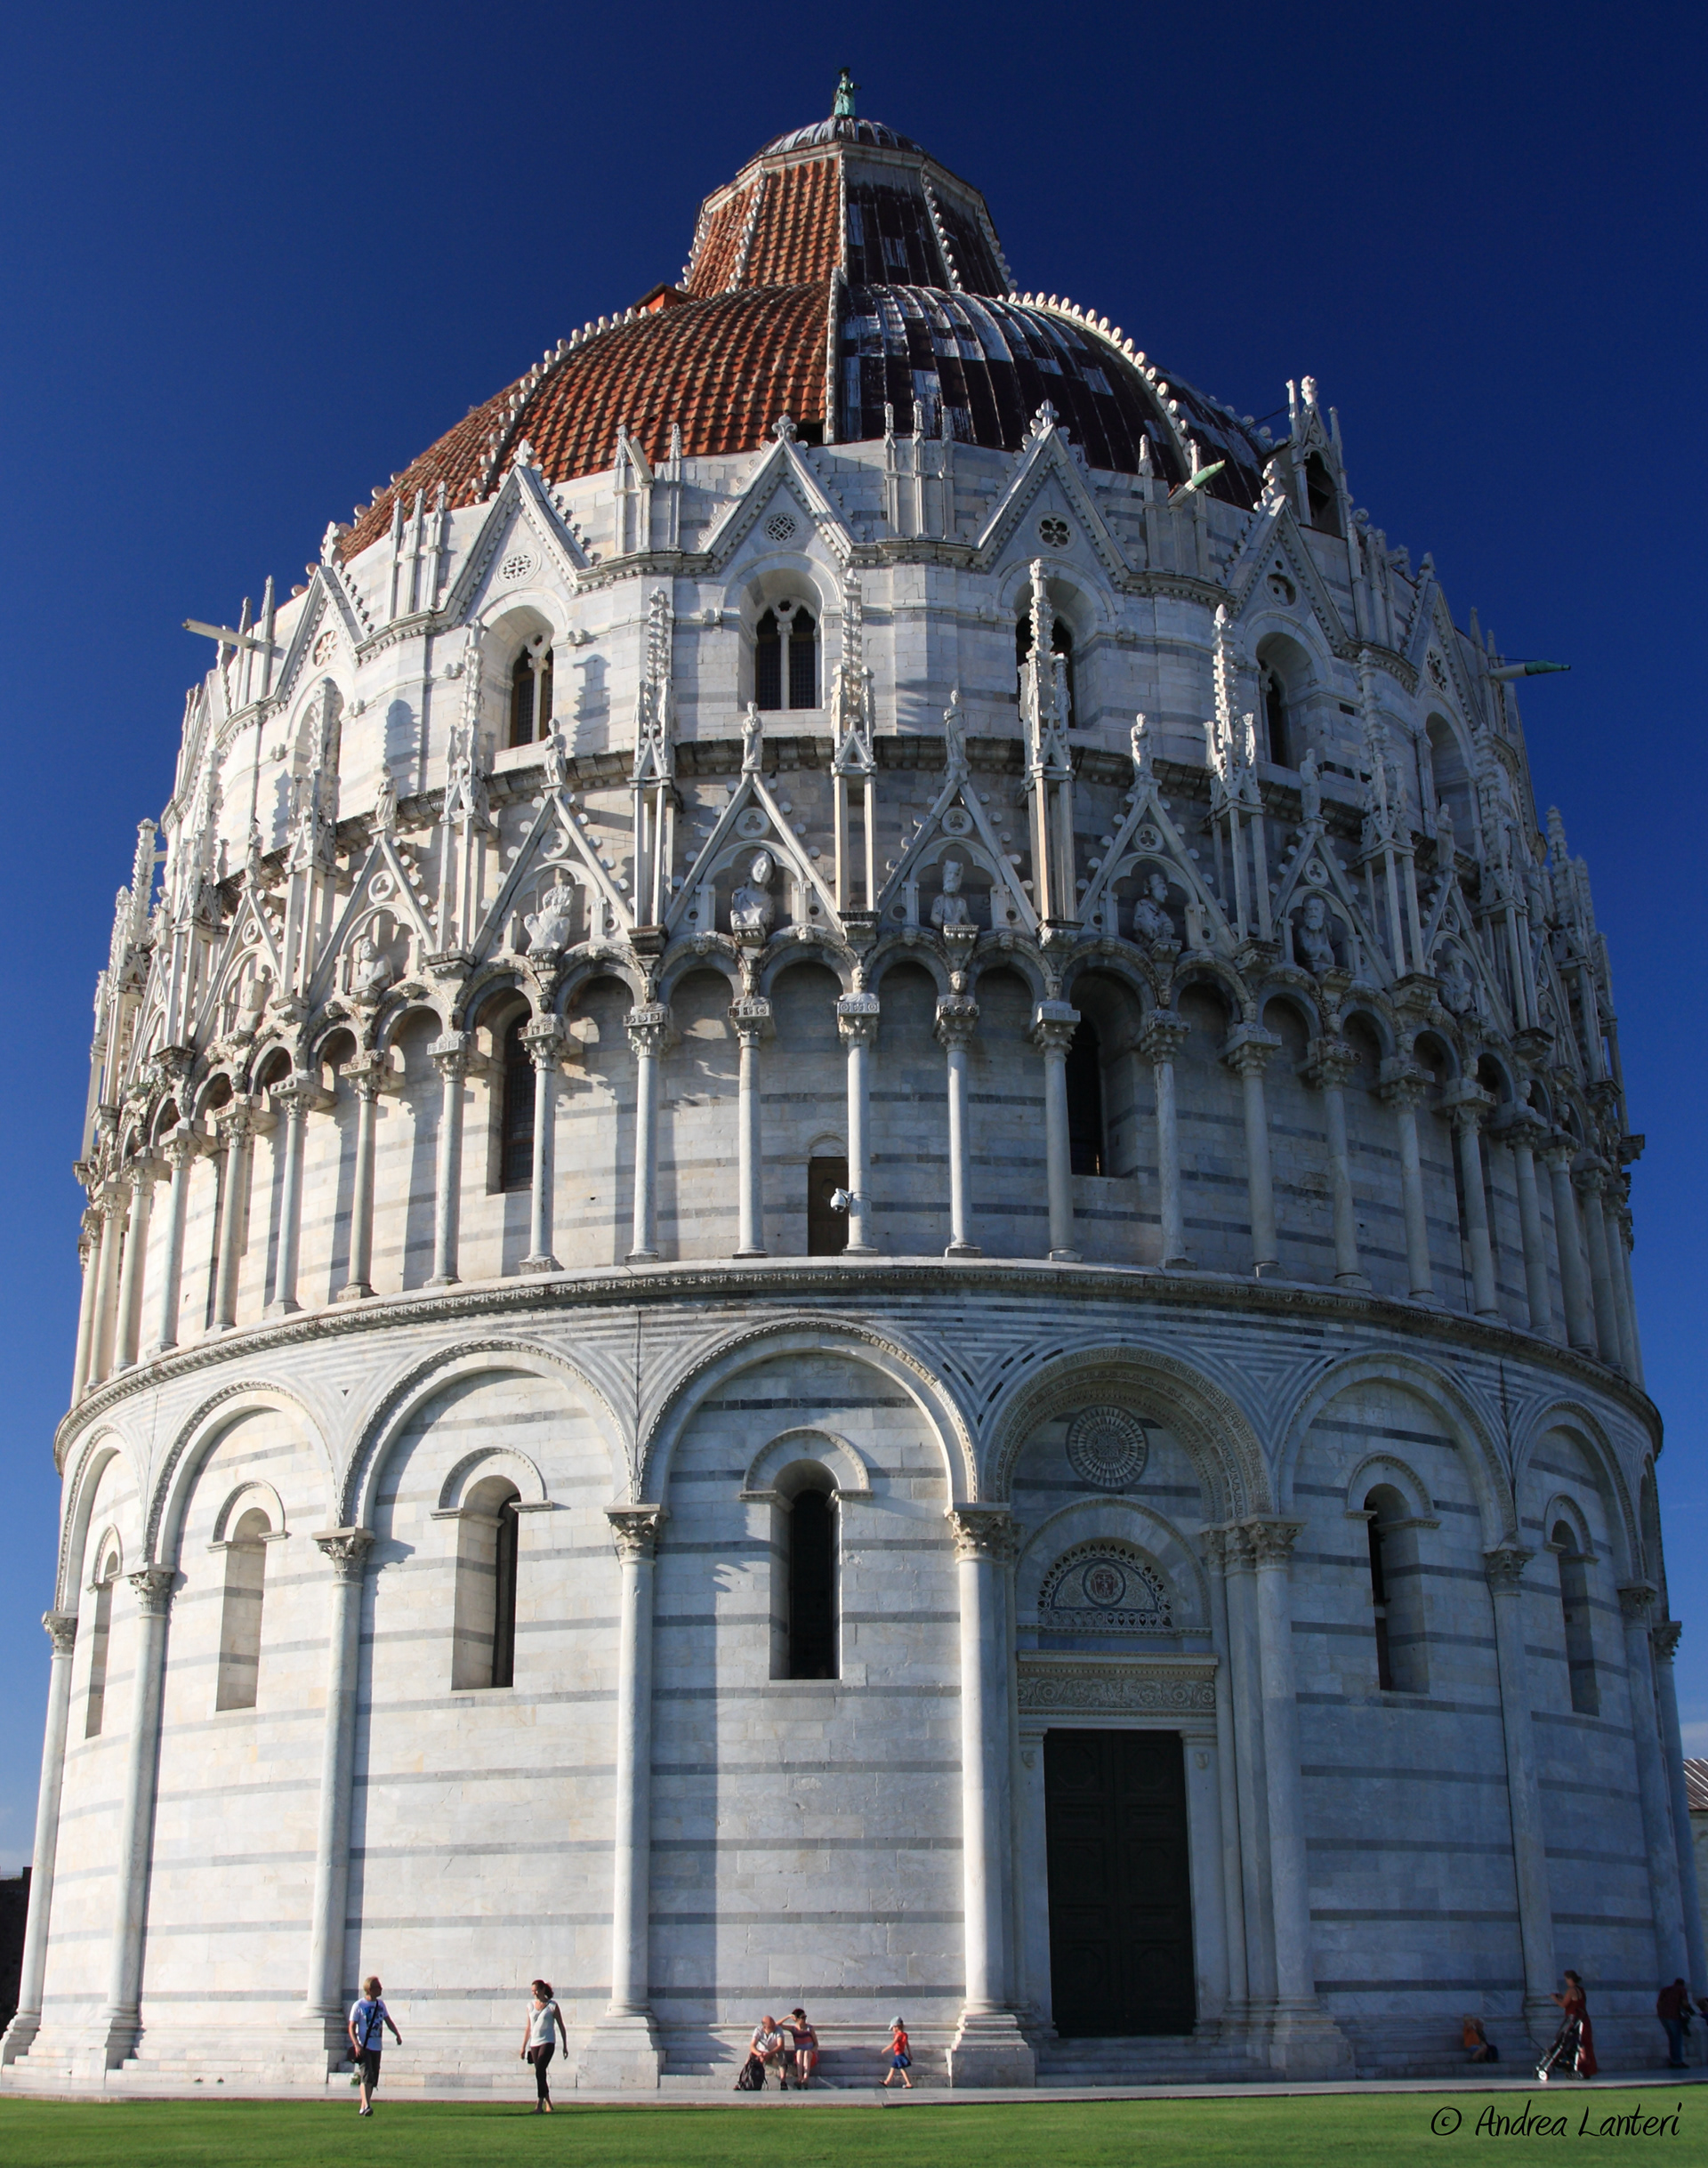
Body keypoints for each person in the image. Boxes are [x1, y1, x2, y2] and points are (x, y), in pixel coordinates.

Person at [347, 1974, 401, 2115]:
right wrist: (357, 2044)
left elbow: (388, 2021)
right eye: (378, 1987)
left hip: (377, 2046)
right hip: (365, 2046)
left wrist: (397, 2034)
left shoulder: (381, 2004)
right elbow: (351, 2027)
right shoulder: (359, 2005)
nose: (381, 1989)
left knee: (373, 2077)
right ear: (370, 1989)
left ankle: (363, 2106)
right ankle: (367, 2106)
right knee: (366, 2076)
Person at [1537, 1970, 1596, 2081]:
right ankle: (1584, 2069)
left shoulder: (1571, 1990)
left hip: (1572, 2020)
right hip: (1583, 2020)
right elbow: (1575, 2003)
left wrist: (1555, 1999)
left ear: (1569, 1979)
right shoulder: (1581, 1990)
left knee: (1563, 2041)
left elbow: (1564, 2005)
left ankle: (1572, 2067)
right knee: (1583, 2045)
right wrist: (1561, 1997)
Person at [520, 1979, 564, 2111]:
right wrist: (523, 2047)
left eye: (536, 1990)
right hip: (535, 2043)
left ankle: (539, 2104)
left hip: (548, 2041)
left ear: (543, 1990)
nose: (534, 1993)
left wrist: (565, 2045)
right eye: (532, 1991)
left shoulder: (552, 2006)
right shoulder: (530, 2006)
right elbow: (529, 2027)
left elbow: (561, 2025)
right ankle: (548, 2102)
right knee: (540, 2073)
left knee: (540, 2069)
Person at [745, 2013, 787, 2088]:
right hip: (761, 2053)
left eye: (773, 2024)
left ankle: (783, 2082)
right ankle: (745, 2078)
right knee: (750, 2056)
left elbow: (781, 2045)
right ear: (764, 2027)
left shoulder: (778, 2029)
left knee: (782, 2055)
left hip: (773, 2053)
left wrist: (770, 2053)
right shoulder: (758, 2030)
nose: (773, 2027)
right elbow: (752, 2046)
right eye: (771, 2026)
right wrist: (759, 2054)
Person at [1657, 1978, 1690, 2069]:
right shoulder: (1681, 1989)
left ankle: (1673, 2060)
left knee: (1672, 2038)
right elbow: (1685, 2003)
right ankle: (1677, 2061)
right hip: (1673, 2016)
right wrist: (1689, 2012)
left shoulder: (1665, 1989)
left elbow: (1659, 2003)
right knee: (1677, 2039)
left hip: (1663, 2016)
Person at [786, 2007, 818, 2090]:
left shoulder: (809, 2028)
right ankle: (800, 2078)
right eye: (802, 2018)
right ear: (796, 2019)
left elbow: (816, 2044)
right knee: (800, 2052)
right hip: (799, 2056)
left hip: (810, 2056)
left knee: (806, 2053)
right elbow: (776, 2025)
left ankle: (806, 2078)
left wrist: (811, 2050)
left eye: (805, 2017)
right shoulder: (794, 2029)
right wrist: (788, 2017)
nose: (804, 2020)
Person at [882, 2015, 913, 2089]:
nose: (892, 2030)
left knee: (902, 2069)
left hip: (899, 2055)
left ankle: (908, 2083)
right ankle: (887, 2081)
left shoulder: (898, 2035)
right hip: (899, 2054)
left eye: (892, 2028)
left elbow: (893, 2044)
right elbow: (907, 2044)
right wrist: (909, 2053)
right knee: (892, 2068)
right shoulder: (905, 2035)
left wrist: (885, 2049)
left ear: (896, 2027)